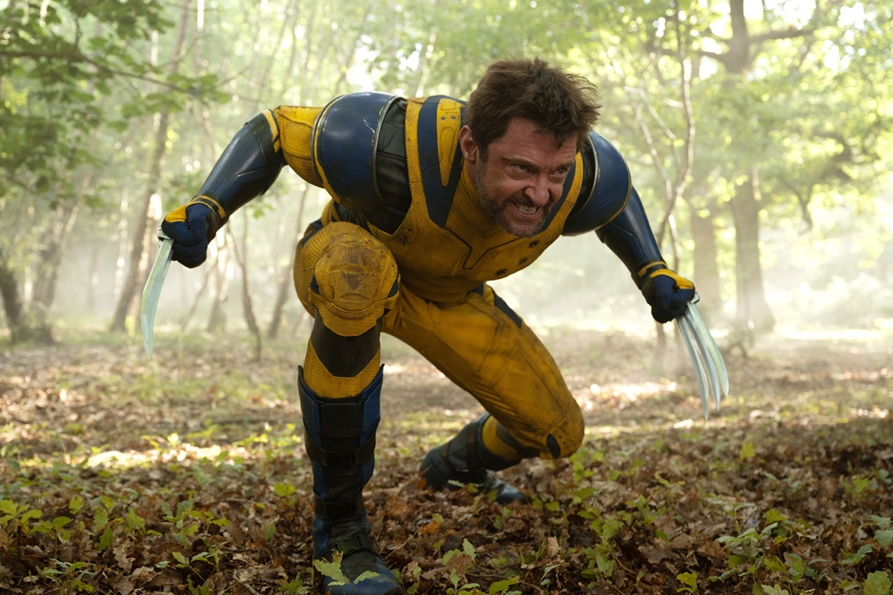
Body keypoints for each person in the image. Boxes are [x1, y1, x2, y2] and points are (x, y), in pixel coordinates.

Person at [160, 57, 695, 595]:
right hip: (349, 260)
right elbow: (276, 129)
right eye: (520, 169)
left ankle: (455, 466)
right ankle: (340, 531)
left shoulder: (586, 174)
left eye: (556, 171)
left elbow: (615, 201)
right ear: (470, 145)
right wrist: (211, 204)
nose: (541, 193)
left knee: (559, 431)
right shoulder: (379, 144)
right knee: (356, 275)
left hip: (451, 298)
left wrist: (651, 268)